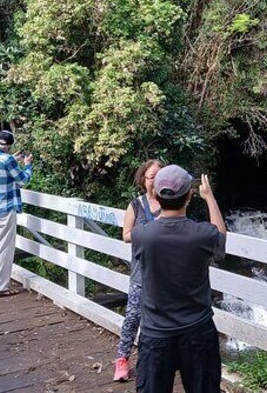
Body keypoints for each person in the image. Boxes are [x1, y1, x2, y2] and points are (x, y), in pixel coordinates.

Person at [131, 165, 226, 393]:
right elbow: (221, 236)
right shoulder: (203, 234)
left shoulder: (142, 235)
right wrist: (209, 197)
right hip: (198, 331)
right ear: (190, 196)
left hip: (156, 333)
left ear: (155, 194)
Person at [114, 159, 164, 382]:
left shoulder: (172, 203)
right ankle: (122, 360)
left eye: (159, 177)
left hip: (166, 273)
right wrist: (149, 231)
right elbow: (125, 235)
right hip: (141, 273)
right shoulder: (136, 205)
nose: (155, 181)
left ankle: (156, 360)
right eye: (151, 177)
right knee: (133, 317)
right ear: (143, 180)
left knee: (162, 319)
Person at [0, 130, 33, 298]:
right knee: (5, 248)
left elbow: (1, 168)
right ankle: (1, 287)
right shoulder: (7, 159)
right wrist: (28, 165)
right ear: (9, 146)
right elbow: (23, 180)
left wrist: (14, 160)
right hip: (5, 208)